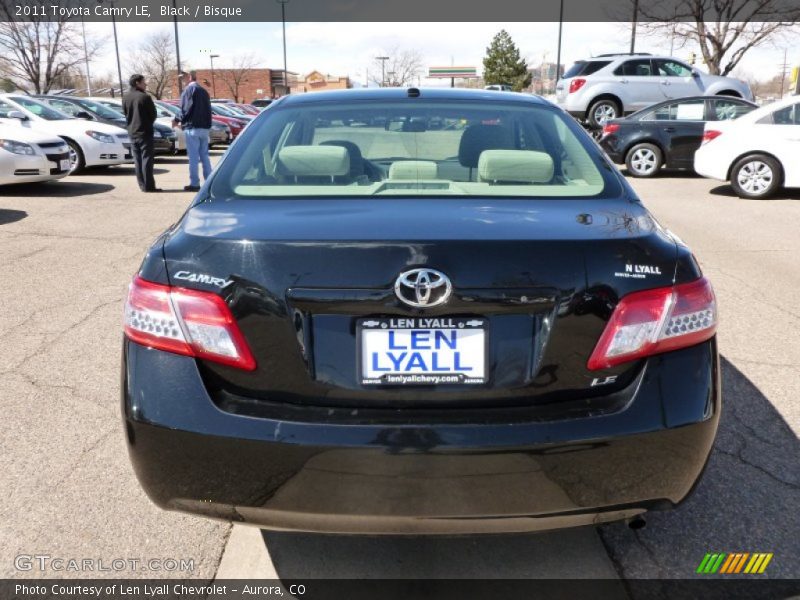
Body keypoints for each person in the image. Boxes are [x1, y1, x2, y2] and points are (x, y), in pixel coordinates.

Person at [175, 71, 213, 192]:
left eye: (183, 78)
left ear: (190, 77)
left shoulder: (188, 90)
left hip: (192, 127)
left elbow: (184, 108)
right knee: (204, 156)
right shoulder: (203, 91)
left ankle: (194, 183)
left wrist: (176, 119)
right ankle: (209, 182)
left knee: (193, 157)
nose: (182, 80)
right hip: (204, 127)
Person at [122, 74, 160, 192]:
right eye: (144, 82)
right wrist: (147, 123)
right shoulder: (145, 97)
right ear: (137, 83)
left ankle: (142, 185)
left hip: (132, 132)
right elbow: (153, 115)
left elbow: (125, 113)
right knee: (147, 159)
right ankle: (149, 186)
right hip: (144, 132)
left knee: (138, 160)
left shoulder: (126, 97)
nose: (145, 84)